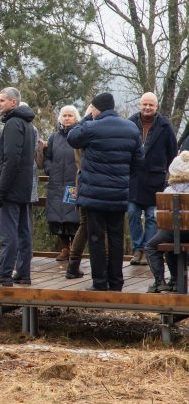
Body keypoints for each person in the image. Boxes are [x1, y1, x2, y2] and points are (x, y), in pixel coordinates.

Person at [67, 93, 143, 291]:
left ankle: (99, 283)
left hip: (94, 196)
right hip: (119, 194)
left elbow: (72, 138)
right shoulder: (131, 128)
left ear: (96, 109)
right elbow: (138, 162)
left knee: (96, 238)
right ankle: (117, 282)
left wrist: (85, 118)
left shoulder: (91, 127)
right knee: (117, 237)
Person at [0, 88, 36, 287]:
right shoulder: (28, 124)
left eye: (2, 100)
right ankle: (22, 273)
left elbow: (11, 159)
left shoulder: (13, 123)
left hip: (12, 187)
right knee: (24, 232)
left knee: (9, 233)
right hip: (24, 185)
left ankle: (4, 273)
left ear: (14, 103)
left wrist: (2, 189)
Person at [127, 92, 177, 266]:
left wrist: (168, 175)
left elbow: (172, 153)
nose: (147, 107)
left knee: (151, 216)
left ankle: (149, 250)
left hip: (155, 180)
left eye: (151, 105)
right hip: (133, 179)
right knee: (132, 213)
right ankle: (137, 249)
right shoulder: (130, 123)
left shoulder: (165, 126)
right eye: (144, 104)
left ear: (156, 107)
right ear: (140, 105)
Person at [146, 151, 189, 292]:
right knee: (172, 241)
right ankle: (175, 281)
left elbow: (159, 216)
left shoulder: (169, 190)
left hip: (173, 232)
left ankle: (161, 281)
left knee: (152, 246)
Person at [44, 106, 82, 262]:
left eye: (70, 116)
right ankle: (64, 248)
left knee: (72, 218)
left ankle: (74, 249)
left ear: (76, 118)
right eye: (64, 115)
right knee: (57, 218)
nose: (67, 118)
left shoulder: (79, 136)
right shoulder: (54, 137)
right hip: (55, 184)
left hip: (72, 184)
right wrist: (49, 169)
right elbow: (47, 157)